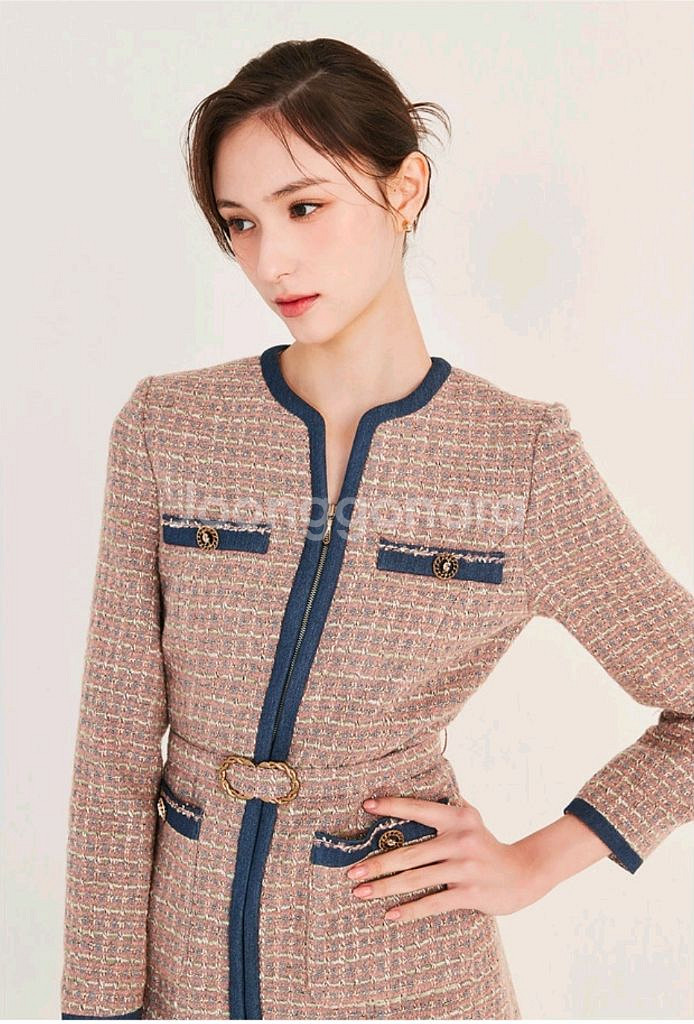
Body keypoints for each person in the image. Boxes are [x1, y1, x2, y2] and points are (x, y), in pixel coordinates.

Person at [60, 37, 694, 1021]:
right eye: (240, 222)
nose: (270, 259)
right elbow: (112, 750)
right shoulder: (168, 428)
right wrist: (98, 1008)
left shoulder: (518, 459)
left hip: (408, 977)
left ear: (405, 190)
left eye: (304, 207)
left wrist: (539, 859)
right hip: (186, 980)